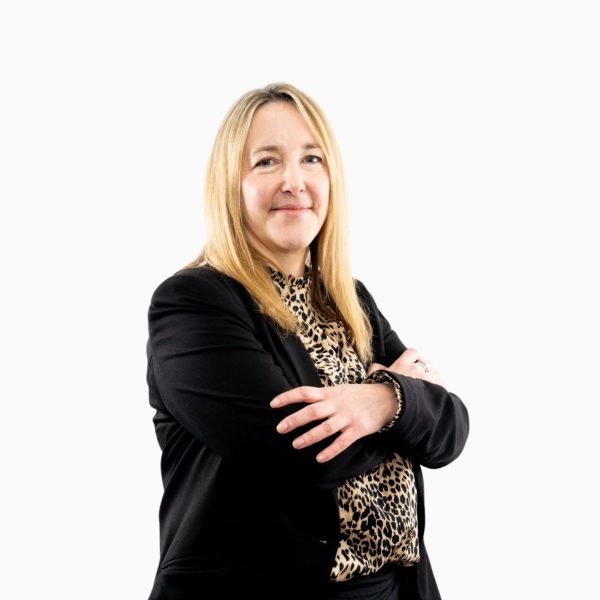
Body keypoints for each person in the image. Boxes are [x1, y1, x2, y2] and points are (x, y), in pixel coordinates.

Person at [145, 82, 469, 600]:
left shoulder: (348, 300)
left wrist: (383, 400)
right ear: (231, 184)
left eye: (311, 159)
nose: (293, 181)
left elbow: (450, 428)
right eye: (266, 162)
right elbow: (294, 453)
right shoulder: (194, 303)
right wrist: (402, 403)